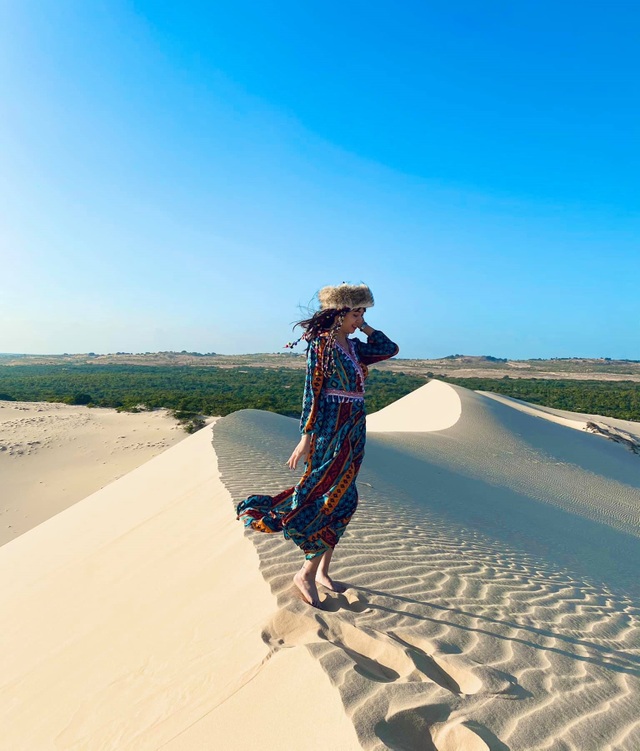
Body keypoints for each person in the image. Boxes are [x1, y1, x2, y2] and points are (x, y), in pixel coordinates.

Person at [236, 283, 399, 608]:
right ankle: (305, 574)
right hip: (329, 430)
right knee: (326, 499)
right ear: (339, 313)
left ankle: (323, 571)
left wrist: (363, 326)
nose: (361, 319)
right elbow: (312, 394)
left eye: (364, 312)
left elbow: (388, 348)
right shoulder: (321, 347)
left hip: (354, 428)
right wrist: (306, 438)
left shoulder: (353, 347)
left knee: (345, 499)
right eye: (357, 312)